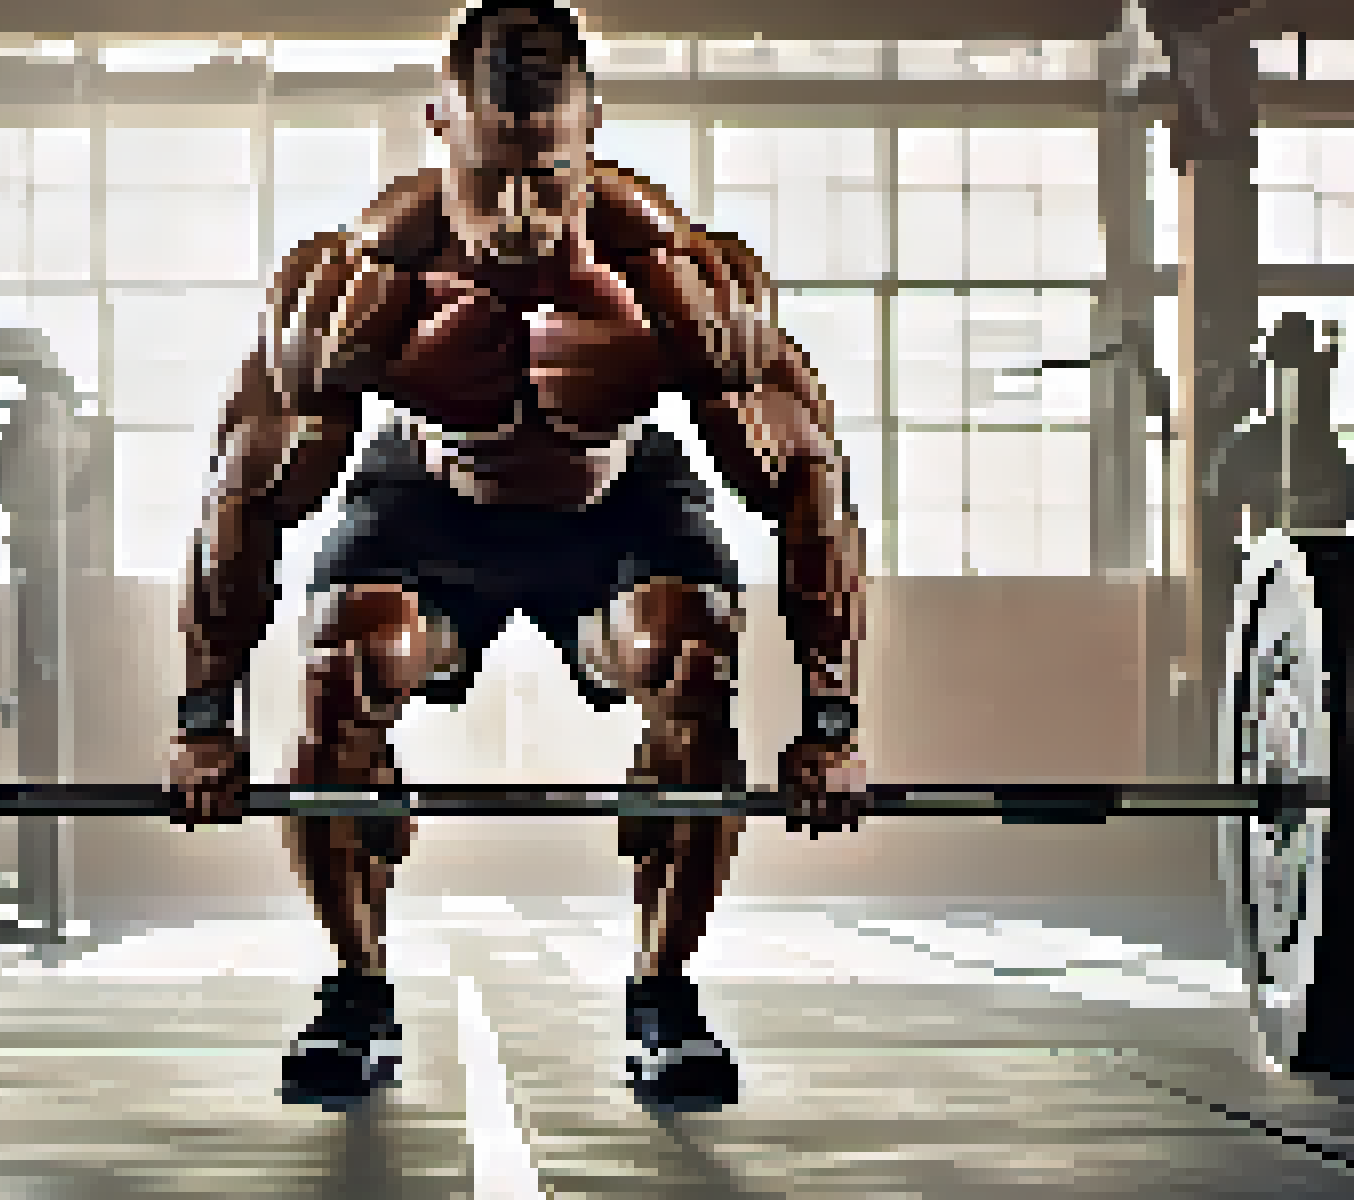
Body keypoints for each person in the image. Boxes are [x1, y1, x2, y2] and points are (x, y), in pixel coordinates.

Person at [166, 0, 869, 1112]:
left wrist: (831, 726)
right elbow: (242, 492)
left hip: (618, 493)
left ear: (594, 125)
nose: (521, 214)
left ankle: (663, 997)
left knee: (694, 662)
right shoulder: (358, 291)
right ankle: (356, 993)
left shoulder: (678, 283)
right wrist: (205, 724)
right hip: (428, 498)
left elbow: (806, 481)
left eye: (549, 176)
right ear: (438, 122)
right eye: (492, 176)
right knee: (340, 666)